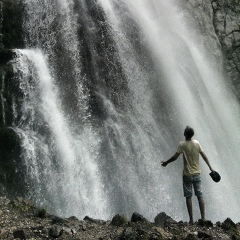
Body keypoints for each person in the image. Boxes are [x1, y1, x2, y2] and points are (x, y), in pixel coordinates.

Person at [161, 126, 214, 224]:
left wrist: (166, 162)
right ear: (192, 134)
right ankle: (203, 218)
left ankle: (191, 220)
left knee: (188, 197)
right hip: (197, 174)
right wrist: (210, 168)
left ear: (185, 134)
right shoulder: (197, 143)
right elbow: (204, 156)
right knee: (200, 195)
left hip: (187, 175)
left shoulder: (182, 144)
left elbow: (175, 157)